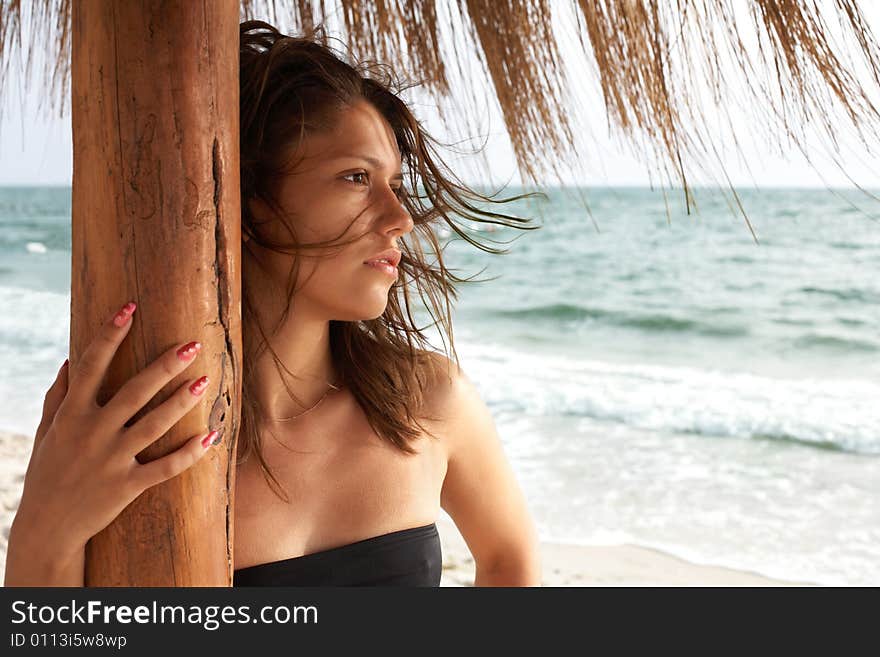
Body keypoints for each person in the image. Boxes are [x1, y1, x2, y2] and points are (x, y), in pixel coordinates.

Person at [4, 20, 541, 587]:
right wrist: (48, 523)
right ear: (252, 198)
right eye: (357, 177)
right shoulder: (145, 443)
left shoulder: (430, 403)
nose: (400, 218)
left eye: (397, 186)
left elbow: (511, 559)